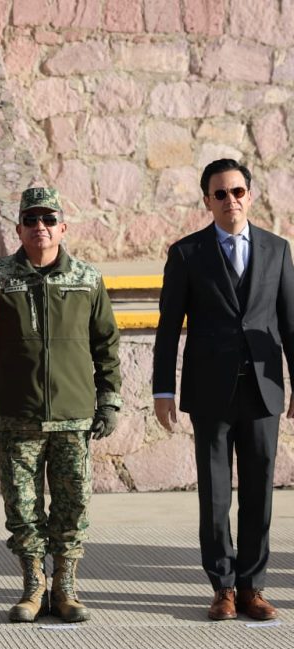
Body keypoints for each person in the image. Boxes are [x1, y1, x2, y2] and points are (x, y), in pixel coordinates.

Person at [153, 159, 294, 622]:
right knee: (215, 495)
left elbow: (290, 323)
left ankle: (253, 587)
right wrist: (162, 390)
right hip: (209, 391)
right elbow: (168, 327)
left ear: (249, 195)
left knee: (259, 491)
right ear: (207, 201)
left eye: (237, 191)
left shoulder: (277, 250)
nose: (230, 200)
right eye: (220, 194)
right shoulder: (186, 253)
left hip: (262, 391)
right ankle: (223, 588)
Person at [0, 187, 121, 624]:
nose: (40, 227)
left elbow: (106, 345)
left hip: (73, 417)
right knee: (22, 509)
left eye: (48, 219)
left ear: (63, 227)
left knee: (72, 507)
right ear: (19, 228)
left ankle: (66, 588)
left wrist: (109, 401)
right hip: (17, 417)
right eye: (31, 220)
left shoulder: (87, 278)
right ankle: (33, 587)